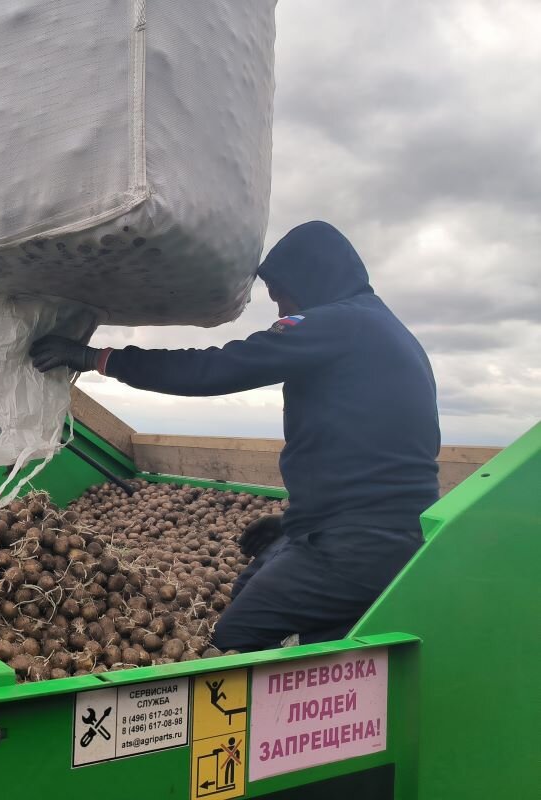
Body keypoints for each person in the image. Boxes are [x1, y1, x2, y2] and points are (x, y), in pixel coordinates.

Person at [30, 221, 440, 651]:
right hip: (374, 532)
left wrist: (98, 358)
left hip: (360, 544)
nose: (279, 307)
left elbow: (218, 369)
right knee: (253, 593)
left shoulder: (339, 324)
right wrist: (292, 522)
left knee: (236, 636)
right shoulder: (383, 331)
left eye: (280, 293)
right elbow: (372, 455)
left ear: (310, 278)